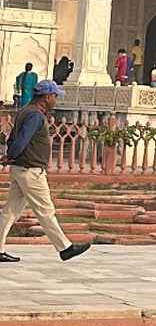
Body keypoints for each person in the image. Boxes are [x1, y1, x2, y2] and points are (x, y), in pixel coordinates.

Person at [0, 79, 91, 264]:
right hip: (30, 169)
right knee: (45, 210)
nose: (56, 99)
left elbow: (14, 137)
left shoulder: (25, 111)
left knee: (10, 211)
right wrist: (11, 155)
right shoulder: (35, 115)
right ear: (46, 97)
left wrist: (10, 156)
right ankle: (65, 247)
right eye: (55, 96)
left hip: (21, 168)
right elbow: (23, 139)